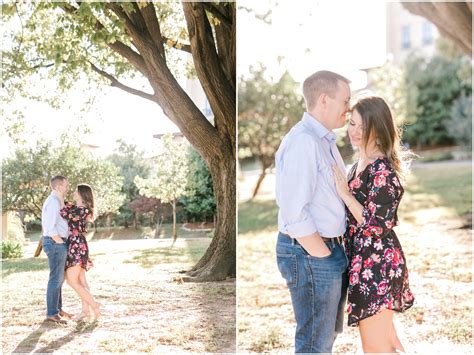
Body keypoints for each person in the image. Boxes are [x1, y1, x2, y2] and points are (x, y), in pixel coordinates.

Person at [275, 70, 351, 353]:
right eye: (345, 100)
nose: (348, 108)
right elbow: (295, 212)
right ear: (324, 100)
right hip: (310, 253)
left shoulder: (324, 141)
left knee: (325, 337)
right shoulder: (304, 141)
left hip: (326, 251)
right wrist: (324, 255)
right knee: (313, 345)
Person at [332, 95, 415, 353]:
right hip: (363, 261)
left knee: (376, 348)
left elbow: (376, 224)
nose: (354, 131)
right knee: (388, 344)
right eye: (352, 124)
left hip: (378, 264)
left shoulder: (382, 171)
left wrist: (345, 193)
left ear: (377, 128)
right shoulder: (358, 165)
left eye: (362, 126)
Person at [60, 184, 102, 320]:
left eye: (75, 191)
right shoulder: (77, 208)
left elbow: (63, 213)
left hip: (77, 245)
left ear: (82, 194)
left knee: (72, 280)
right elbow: (67, 208)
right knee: (81, 281)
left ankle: (94, 305)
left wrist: (61, 200)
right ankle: (85, 312)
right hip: (76, 244)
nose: (73, 192)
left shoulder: (82, 210)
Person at [41, 175, 74, 323]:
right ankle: (52, 313)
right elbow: (50, 228)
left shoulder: (56, 201)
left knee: (59, 278)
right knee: (56, 278)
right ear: (59, 186)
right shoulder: (53, 202)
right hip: (55, 243)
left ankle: (58, 309)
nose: (67, 188)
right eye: (66, 186)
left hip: (56, 243)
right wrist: (61, 243)